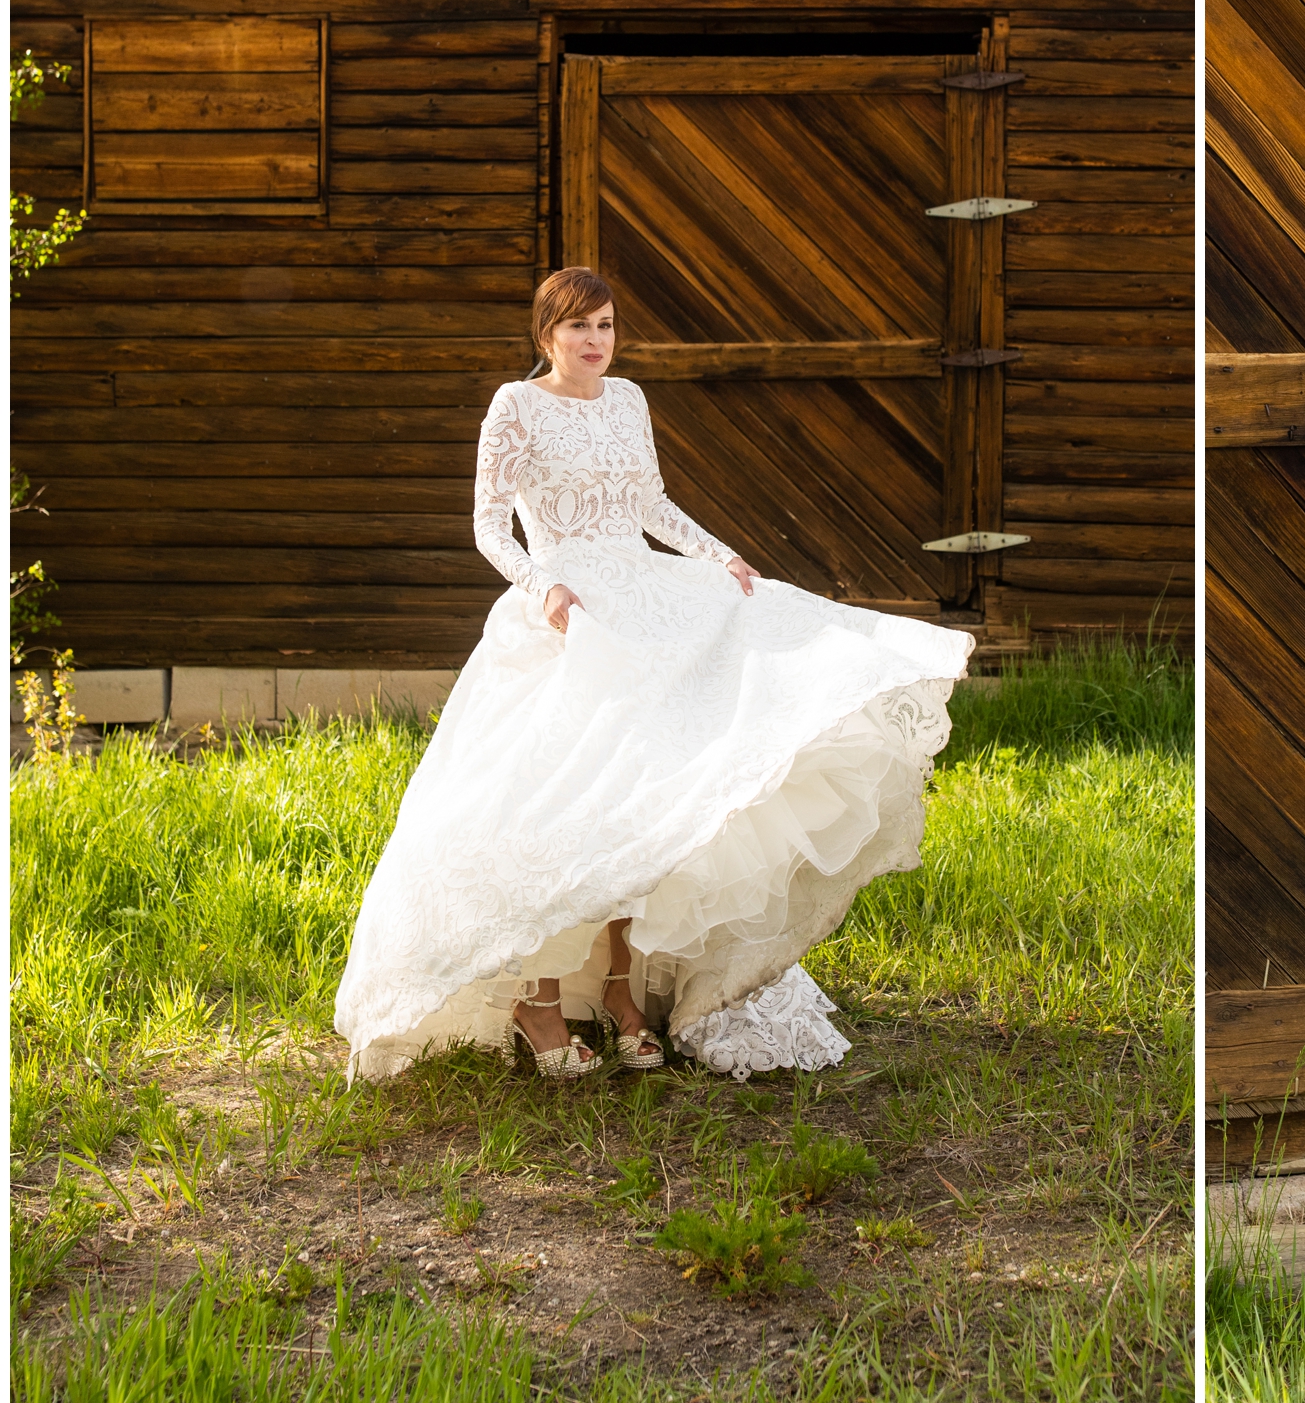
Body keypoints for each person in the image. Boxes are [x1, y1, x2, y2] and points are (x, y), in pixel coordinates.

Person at [334, 267, 972, 1084]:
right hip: (570, 611)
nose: (595, 342)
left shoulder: (628, 400)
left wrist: (717, 554)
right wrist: (544, 586)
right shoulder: (516, 405)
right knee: (570, 797)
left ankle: (624, 992)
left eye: (605, 326)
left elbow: (650, 507)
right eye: (578, 328)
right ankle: (536, 1000)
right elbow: (489, 525)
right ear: (546, 335)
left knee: (655, 793)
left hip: (645, 597)